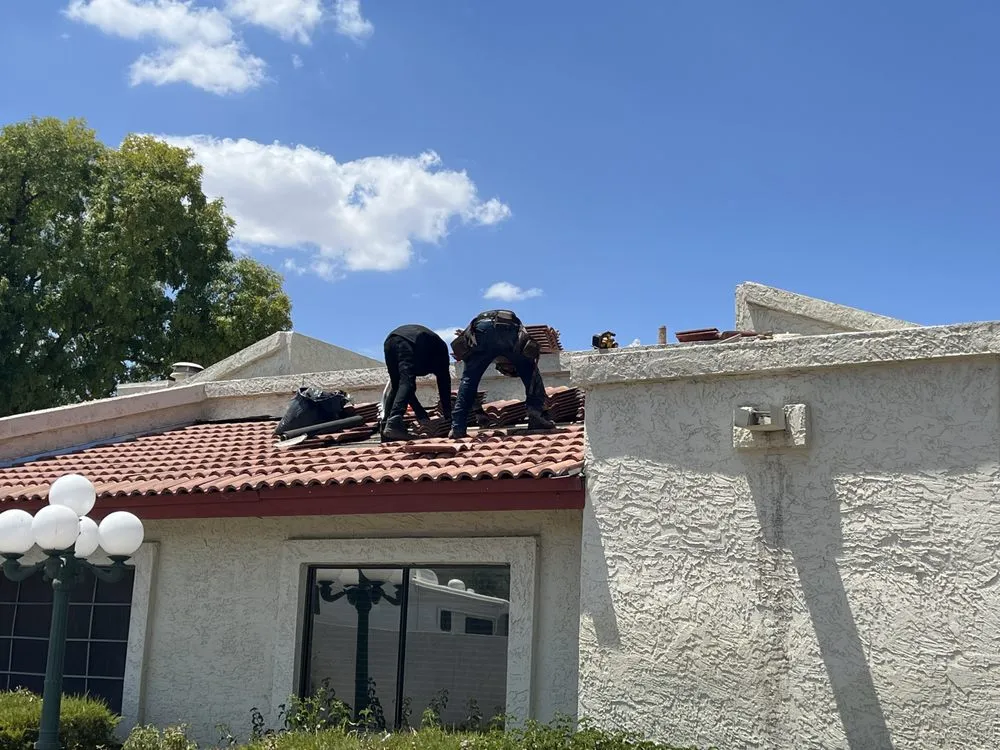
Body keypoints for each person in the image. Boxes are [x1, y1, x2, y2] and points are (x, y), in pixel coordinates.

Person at [449, 309, 555, 439]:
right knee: (530, 371)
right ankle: (536, 416)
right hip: (508, 328)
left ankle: (458, 426)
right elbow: (531, 350)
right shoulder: (518, 345)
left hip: (480, 328)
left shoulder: (491, 352)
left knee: (469, 379)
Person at [382, 324, 452, 442]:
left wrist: (421, 415)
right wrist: (448, 416)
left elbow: (404, 390)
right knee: (406, 383)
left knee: (397, 386)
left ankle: (385, 429)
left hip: (390, 342)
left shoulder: (431, 353)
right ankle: (393, 423)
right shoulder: (441, 354)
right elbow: (444, 385)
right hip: (408, 340)